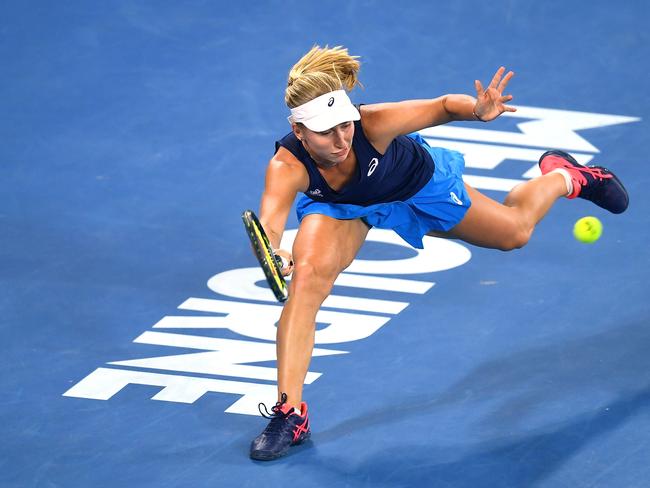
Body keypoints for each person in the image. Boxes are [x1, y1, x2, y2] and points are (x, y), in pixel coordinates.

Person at [248, 45, 629, 461]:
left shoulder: (373, 123)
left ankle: (564, 176)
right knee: (306, 281)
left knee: (514, 232)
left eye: (344, 125)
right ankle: (289, 413)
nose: (341, 140)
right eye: (326, 132)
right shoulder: (287, 166)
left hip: (417, 187)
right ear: (299, 131)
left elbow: (442, 106)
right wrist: (277, 252)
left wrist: (478, 110)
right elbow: (269, 225)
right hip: (344, 208)